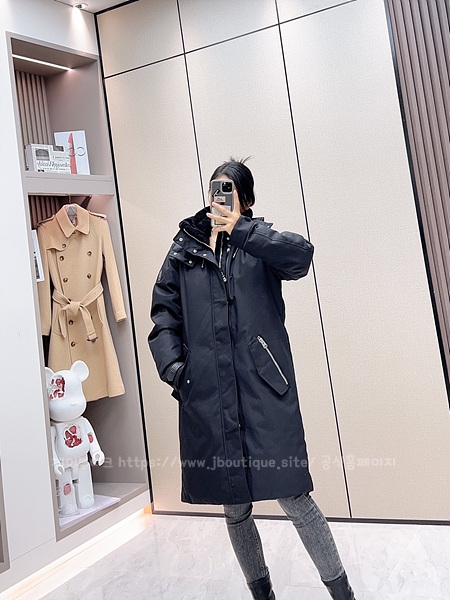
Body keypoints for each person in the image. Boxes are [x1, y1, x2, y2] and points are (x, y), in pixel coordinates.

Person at [148, 159, 356, 600]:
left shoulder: (260, 243)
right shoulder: (185, 248)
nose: (219, 197)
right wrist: (177, 372)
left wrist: (241, 230)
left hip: (264, 392)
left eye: (229, 190)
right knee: (235, 508)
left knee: (295, 498)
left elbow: (301, 257)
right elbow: (164, 315)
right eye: (214, 189)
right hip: (210, 395)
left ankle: (343, 594)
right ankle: (263, 595)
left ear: (245, 198)